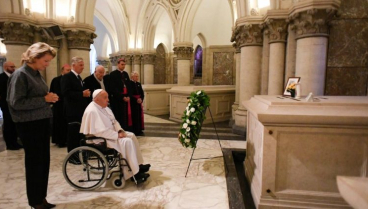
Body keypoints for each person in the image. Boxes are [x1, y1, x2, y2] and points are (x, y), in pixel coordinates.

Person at [7, 42, 59, 209]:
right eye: (45, 61)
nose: (47, 64)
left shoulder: (36, 74)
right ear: (34, 58)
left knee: (43, 162)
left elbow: (38, 96)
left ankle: (41, 197)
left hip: (41, 121)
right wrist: (44, 100)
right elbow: (16, 103)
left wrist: (49, 98)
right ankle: (35, 201)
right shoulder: (20, 75)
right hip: (29, 125)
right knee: (35, 163)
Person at [80, 89, 150, 184]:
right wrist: (117, 135)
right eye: (105, 98)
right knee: (127, 141)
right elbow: (99, 132)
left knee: (132, 135)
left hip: (110, 135)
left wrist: (120, 130)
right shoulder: (92, 111)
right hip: (99, 139)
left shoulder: (104, 107)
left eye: (107, 97)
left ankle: (138, 165)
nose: (108, 100)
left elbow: (114, 121)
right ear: (96, 99)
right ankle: (134, 174)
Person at [61, 57, 90, 153]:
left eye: (83, 65)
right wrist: (82, 94)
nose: (83, 67)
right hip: (72, 111)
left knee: (79, 133)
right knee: (73, 134)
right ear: (73, 65)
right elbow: (66, 93)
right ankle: (73, 155)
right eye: (80, 65)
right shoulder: (67, 77)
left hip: (80, 110)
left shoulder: (78, 77)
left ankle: (79, 153)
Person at [0, 61, 23, 150]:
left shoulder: (14, 76)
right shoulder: (1, 77)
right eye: (11, 67)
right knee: (8, 123)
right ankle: (9, 143)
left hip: (14, 103)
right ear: (5, 67)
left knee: (14, 123)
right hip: (6, 104)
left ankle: (15, 142)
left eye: (14, 66)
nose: (13, 68)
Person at [108, 58, 133, 131]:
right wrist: (122, 97)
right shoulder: (113, 74)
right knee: (119, 115)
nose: (123, 66)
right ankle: (119, 129)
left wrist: (129, 96)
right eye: (122, 64)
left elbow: (129, 86)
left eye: (124, 65)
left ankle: (126, 128)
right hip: (117, 100)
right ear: (118, 64)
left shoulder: (125, 74)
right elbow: (113, 88)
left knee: (126, 116)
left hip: (126, 98)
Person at [49, 64, 71, 147]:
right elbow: (52, 91)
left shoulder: (70, 79)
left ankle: (66, 140)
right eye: (67, 70)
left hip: (67, 105)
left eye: (70, 70)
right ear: (62, 71)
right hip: (59, 105)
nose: (69, 72)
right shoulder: (56, 80)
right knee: (59, 123)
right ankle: (60, 141)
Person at [130, 71, 145, 135]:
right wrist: (136, 99)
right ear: (132, 77)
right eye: (135, 76)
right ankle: (135, 130)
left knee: (139, 116)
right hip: (133, 103)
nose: (137, 77)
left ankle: (139, 129)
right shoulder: (130, 84)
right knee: (134, 116)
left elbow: (142, 93)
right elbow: (130, 94)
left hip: (139, 102)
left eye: (137, 76)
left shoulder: (139, 84)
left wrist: (141, 99)